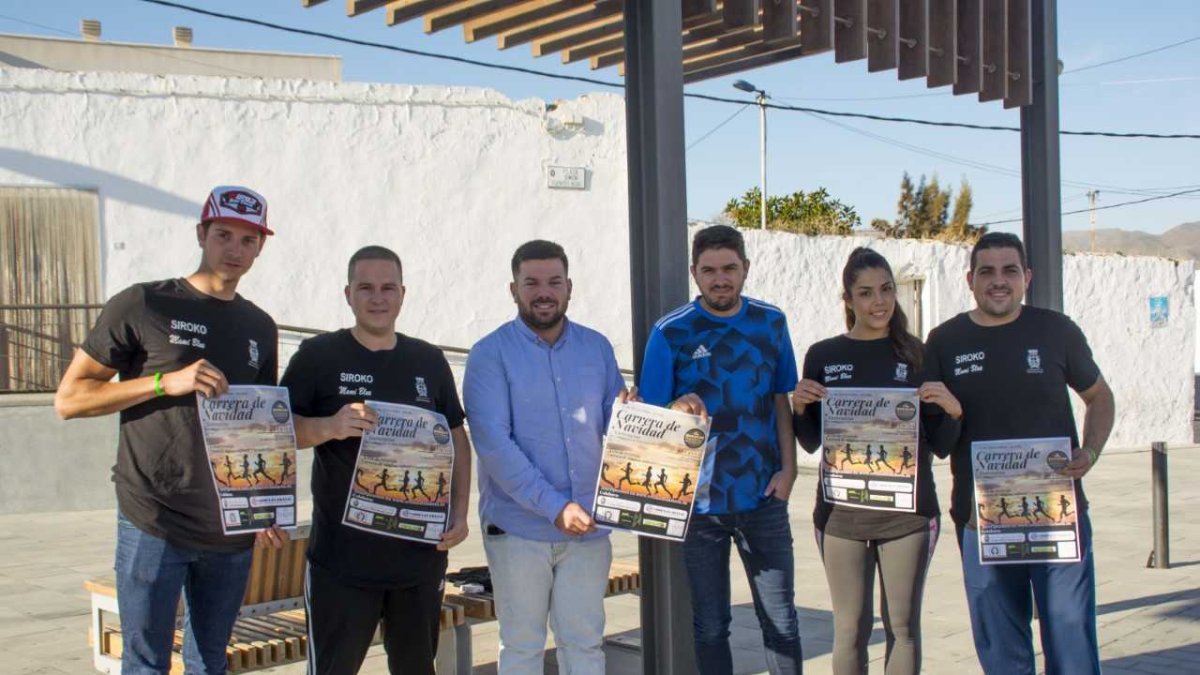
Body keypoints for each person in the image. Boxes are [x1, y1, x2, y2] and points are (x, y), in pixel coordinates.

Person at [54, 186, 286, 673]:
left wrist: (262, 503)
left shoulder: (260, 326)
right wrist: (164, 382)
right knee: (146, 665)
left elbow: (258, 425)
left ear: (261, 247)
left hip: (229, 529)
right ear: (201, 234)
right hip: (154, 519)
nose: (235, 249)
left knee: (211, 664)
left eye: (248, 240)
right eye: (223, 235)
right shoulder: (144, 303)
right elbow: (69, 399)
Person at [464, 240, 705, 674]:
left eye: (554, 282)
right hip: (519, 530)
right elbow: (495, 446)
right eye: (532, 283)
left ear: (569, 287)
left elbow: (620, 422)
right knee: (521, 647)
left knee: (585, 646)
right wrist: (556, 508)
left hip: (589, 530)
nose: (544, 292)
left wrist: (673, 415)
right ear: (513, 289)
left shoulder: (596, 348)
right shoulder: (489, 354)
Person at [924, 232, 1115, 674]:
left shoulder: (1056, 331)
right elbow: (939, 444)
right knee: (1002, 652)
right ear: (970, 280)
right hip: (981, 522)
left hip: (1056, 517)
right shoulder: (944, 340)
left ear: (1026, 277)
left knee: (1071, 642)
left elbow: (1100, 397)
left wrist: (1090, 451)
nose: (998, 281)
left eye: (1009, 270)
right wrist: (952, 413)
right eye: (987, 271)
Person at [282, 245, 471, 675]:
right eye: (366, 287)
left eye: (388, 288)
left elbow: (457, 438)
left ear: (403, 294)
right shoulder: (318, 356)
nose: (378, 298)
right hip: (342, 563)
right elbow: (280, 430)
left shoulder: (429, 360)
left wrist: (460, 513)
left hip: (419, 559)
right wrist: (329, 426)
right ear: (348, 294)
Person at [639, 224, 802, 674]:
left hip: (764, 498)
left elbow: (781, 400)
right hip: (701, 505)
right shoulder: (671, 332)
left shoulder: (771, 323)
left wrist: (789, 471)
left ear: (745, 268)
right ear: (694, 273)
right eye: (709, 270)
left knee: (782, 623)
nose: (720, 279)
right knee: (711, 627)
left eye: (729, 268)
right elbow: (651, 418)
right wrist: (675, 407)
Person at [792, 247, 962, 675]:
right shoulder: (823, 355)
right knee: (850, 629)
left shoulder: (919, 355)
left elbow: (941, 445)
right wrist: (798, 407)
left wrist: (953, 412)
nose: (879, 301)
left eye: (886, 289)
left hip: (908, 515)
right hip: (841, 515)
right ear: (848, 299)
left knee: (902, 628)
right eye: (866, 293)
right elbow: (811, 442)